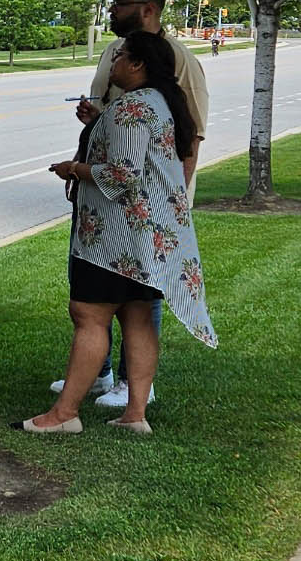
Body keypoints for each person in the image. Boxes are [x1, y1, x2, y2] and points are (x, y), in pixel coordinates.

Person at [27, 31, 216, 436]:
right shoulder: (157, 103)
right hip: (145, 238)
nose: (113, 62)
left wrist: (74, 169)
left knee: (89, 316)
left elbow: (122, 176)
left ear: (137, 65)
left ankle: (64, 415)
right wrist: (100, 124)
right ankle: (135, 414)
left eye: (120, 56)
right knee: (138, 317)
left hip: (115, 241)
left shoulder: (132, 107)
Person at [61, 0, 209, 410]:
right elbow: (122, 121)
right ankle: (100, 371)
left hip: (140, 212)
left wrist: (170, 206)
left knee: (141, 295)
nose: (112, 10)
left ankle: (130, 384)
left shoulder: (179, 59)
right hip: (102, 208)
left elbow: (189, 135)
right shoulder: (114, 53)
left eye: (120, 3)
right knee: (104, 300)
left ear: (147, 8)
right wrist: (96, 120)